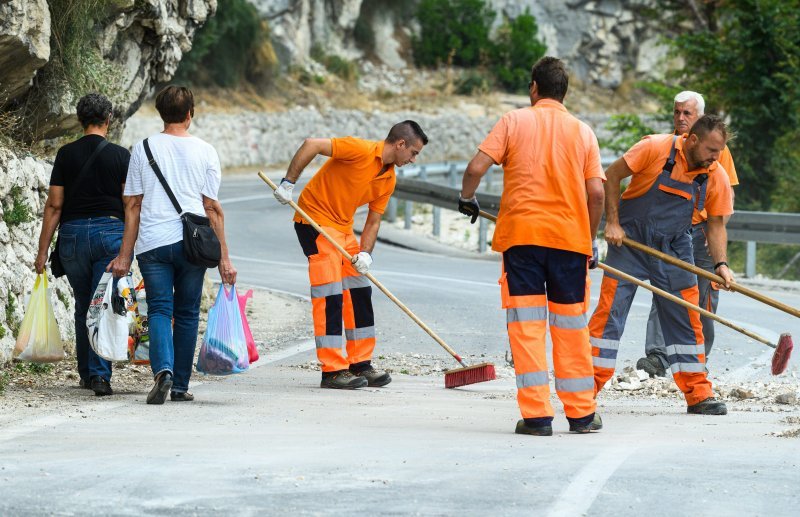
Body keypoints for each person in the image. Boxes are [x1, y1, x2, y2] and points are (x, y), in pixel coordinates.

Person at [458, 56, 606, 436]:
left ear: (533, 88)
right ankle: (582, 415)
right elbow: (596, 192)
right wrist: (588, 240)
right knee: (571, 330)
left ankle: (538, 417)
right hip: (570, 243)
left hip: (522, 239)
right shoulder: (583, 132)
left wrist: (467, 197)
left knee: (527, 329)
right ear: (565, 92)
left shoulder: (513, 121)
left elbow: (476, 168)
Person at [589, 114, 734, 416]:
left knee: (686, 317)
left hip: (675, 246)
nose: (714, 158)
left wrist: (721, 264)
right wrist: (612, 223)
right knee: (610, 313)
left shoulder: (714, 174)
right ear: (692, 140)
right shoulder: (654, 148)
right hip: (631, 241)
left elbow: (716, 223)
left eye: (719, 152)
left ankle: (698, 392)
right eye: (710, 150)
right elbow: (612, 175)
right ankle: (585, 388)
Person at [107, 85, 237, 405]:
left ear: (160, 113)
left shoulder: (143, 148)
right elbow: (212, 208)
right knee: (189, 312)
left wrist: (125, 256)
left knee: (161, 309)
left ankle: (162, 371)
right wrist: (225, 261)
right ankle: (179, 384)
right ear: (190, 114)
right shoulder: (206, 150)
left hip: (153, 243)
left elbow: (133, 206)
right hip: (193, 244)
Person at [274, 121, 428, 389]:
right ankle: (332, 370)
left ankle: (361, 364)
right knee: (330, 294)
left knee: (359, 292)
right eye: (414, 153)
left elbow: (373, 221)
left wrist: (366, 255)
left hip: (343, 230)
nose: (414, 159)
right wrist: (289, 182)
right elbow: (312, 144)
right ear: (400, 144)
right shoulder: (359, 149)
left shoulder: (388, 177)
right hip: (314, 222)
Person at [637, 91, 739, 378]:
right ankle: (657, 356)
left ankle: (697, 358)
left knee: (704, 297)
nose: (681, 118)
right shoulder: (666, 146)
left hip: (703, 232)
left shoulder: (717, 148)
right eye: (677, 112)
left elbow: (726, 194)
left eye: (687, 114)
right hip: (671, 233)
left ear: (700, 117)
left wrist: (716, 231)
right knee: (665, 291)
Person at [34, 92, 130, 396]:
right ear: (109, 120)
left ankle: (87, 373)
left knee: (82, 304)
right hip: (109, 234)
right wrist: (128, 247)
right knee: (101, 303)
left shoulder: (65, 154)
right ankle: (100, 376)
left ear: (80, 120)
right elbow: (130, 205)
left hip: (72, 236)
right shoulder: (120, 156)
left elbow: (54, 206)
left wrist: (41, 252)